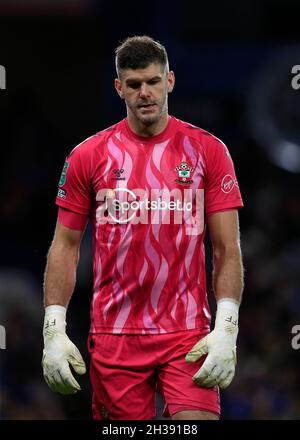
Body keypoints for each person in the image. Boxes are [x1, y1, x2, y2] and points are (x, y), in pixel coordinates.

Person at [42, 35, 244, 420]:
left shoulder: (208, 151)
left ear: (170, 81)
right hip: (115, 335)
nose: (144, 93)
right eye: (134, 84)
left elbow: (226, 249)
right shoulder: (89, 155)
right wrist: (53, 328)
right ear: (120, 88)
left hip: (188, 334)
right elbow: (65, 246)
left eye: (153, 81)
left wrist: (227, 327)